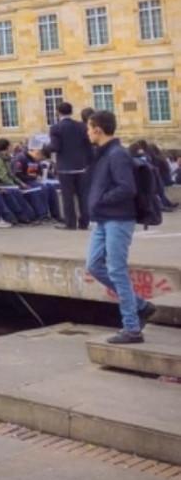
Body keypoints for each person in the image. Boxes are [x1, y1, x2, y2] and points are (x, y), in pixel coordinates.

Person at [84, 111, 156, 344]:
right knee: (94, 265)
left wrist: (100, 200)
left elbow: (127, 188)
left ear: (98, 129)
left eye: (88, 127)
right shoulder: (102, 154)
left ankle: (132, 328)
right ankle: (141, 305)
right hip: (104, 219)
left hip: (118, 219)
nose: (87, 132)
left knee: (116, 270)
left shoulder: (117, 154)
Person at [46, 102, 92, 230]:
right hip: (81, 166)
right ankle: (84, 222)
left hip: (65, 168)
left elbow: (55, 147)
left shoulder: (56, 128)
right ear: (71, 112)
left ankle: (70, 223)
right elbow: (88, 146)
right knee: (83, 195)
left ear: (58, 112)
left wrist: (44, 148)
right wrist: (88, 162)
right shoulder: (81, 126)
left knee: (68, 197)